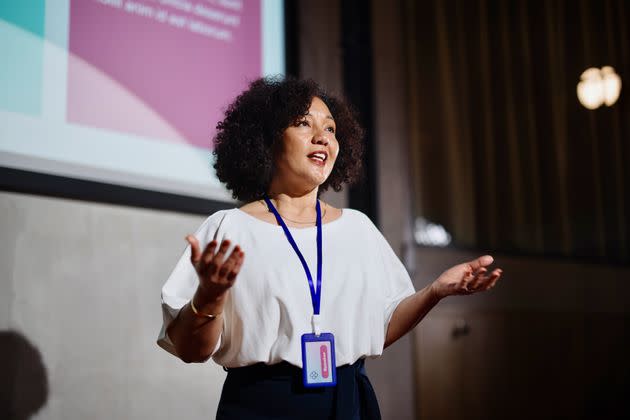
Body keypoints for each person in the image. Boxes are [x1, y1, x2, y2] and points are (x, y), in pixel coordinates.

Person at [157, 77, 502, 419]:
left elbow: (379, 327)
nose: (322, 137)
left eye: (331, 128)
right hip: (263, 405)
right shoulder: (230, 228)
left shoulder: (358, 228)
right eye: (304, 124)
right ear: (267, 140)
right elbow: (191, 351)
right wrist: (210, 296)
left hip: (348, 402)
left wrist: (436, 291)